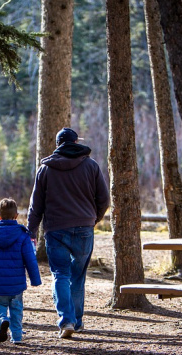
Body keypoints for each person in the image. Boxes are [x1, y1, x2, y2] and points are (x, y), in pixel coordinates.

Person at [28, 128, 109, 339]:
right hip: (84, 228)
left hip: (55, 230)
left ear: (58, 145)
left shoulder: (45, 169)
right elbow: (104, 199)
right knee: (78, 277)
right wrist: (94, 219)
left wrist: (31, 231)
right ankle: (77, 322)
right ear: (75, 142)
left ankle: (67, 321)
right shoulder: (91, 166)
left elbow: (35, 206)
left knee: (60, 275)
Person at [0, 198, 42, 344]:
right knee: (16, 309)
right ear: (16, 216)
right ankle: (17, 337)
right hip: (16, 283)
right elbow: (30, 259)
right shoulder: (23, 236)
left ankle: (2, 320)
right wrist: (35, 279)